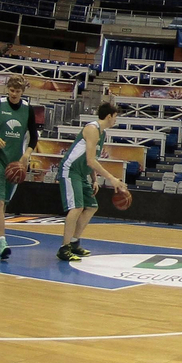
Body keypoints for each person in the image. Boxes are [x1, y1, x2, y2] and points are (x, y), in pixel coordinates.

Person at [56, 102, 128, 262]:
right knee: (76, 207)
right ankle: (64, 247)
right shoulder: (92, 129)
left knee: (91, 207)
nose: (116, 120)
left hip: (82, 173)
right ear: (109, 116)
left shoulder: (102, 133)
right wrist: (111, 178)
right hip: (71, 170)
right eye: (115, 117)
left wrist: (94, 179)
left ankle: (74, 242)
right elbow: (89, 160)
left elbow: (92, 159)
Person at [0, 77, 38, 258]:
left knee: (3, 203)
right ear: (8, 90)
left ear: (22, 92)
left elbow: (34, 137)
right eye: (11, 90)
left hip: (15, 163)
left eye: (17, 91)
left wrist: (26, 155)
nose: (14, 94)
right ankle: (2, 242)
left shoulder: (28, 109)